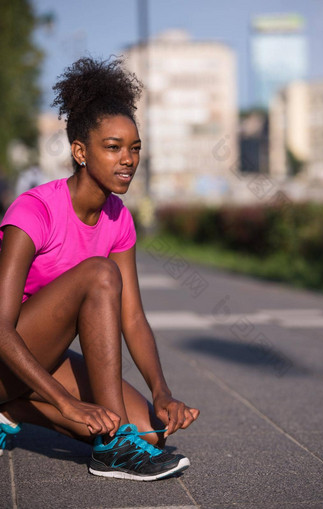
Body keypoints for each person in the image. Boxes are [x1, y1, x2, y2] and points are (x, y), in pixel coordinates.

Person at [0, 57, 199, 481]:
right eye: (113, 147)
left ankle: (13, 409)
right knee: (100, 273)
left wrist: (162, 393)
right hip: (6, 356)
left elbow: (132, 317)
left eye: (135, 148)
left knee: (150, 435)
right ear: (80, 151)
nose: (127, 159)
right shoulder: (33, 210)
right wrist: (66, 401)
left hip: (39, 358)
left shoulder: (118, 217)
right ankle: (110, 449)